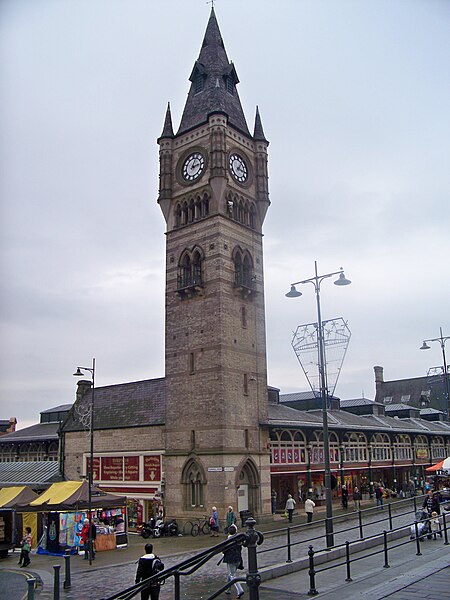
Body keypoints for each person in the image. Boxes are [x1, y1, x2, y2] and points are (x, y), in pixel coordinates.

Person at [222, 524, 244, 598]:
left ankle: (239, 589)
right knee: (230, 573)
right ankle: (228, 589)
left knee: (232, 575)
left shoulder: (229, 540)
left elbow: (224, 550)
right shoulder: (239, 539)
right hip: (238, 559)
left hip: (231, 559)